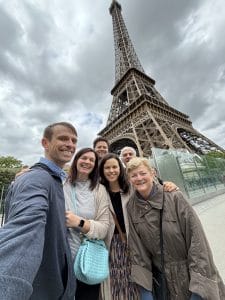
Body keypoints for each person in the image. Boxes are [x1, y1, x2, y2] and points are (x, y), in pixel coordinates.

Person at [126, 157, 225, 300]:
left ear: (153, 173)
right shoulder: (131, 207)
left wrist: (199, 288)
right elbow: (138, 251)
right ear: (129, 179)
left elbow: (197, 241)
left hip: (190, 277)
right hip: (163, 283)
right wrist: (145, 290)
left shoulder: (174, 197)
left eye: (142, 173)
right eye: (133, 175)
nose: (139, 178)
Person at [0, 122, 78, 300]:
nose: (70, 144)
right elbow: (24, 230)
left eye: (74, 140)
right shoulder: (37, 178)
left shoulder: (55, 179)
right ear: (45, 143)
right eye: (63, 138)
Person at [98, 153, 179, 300]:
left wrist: (167, 184)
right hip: (113, 245)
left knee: (141, 282)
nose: (111, 170)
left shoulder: (131, 187)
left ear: (120, 169)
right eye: (107, 167)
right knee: (117, 284)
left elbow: (151, 188)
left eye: (114, 167)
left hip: (136, 242)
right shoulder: (98, 191)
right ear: (102, 170)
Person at [64, 147, 110, 300]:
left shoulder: (100, 190)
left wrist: (79, 222)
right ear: (76, 159)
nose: (87, 162)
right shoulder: (60, 183)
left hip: (87, 261)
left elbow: (104, 228)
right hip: (60, 259)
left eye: (92, 160)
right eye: (84, 158)